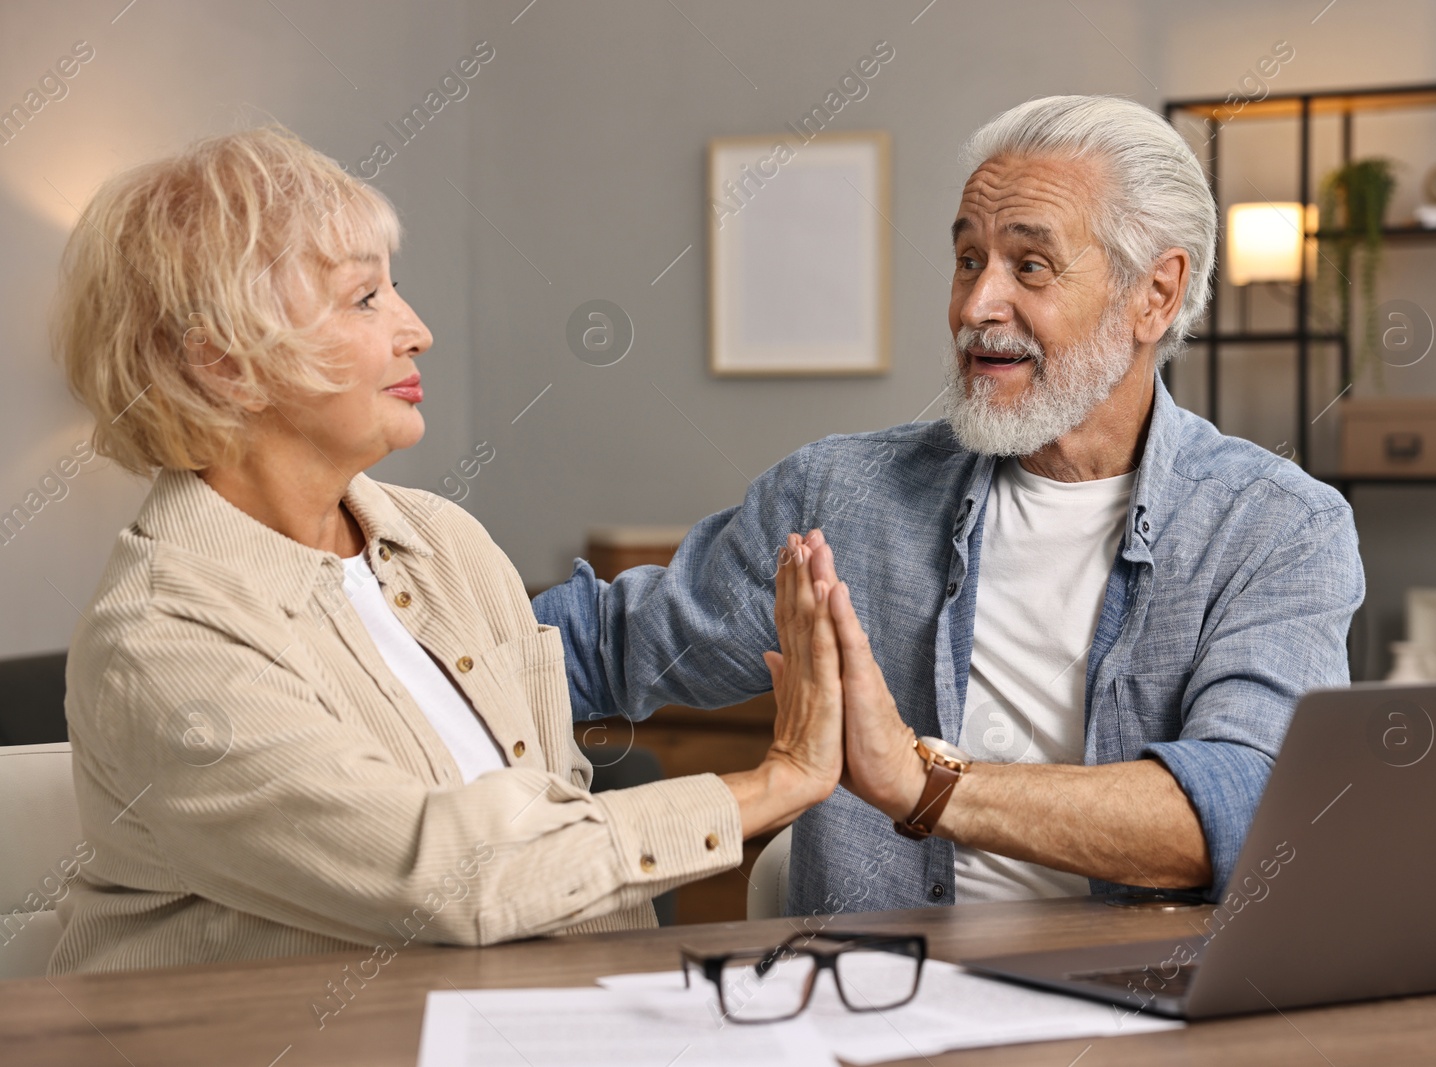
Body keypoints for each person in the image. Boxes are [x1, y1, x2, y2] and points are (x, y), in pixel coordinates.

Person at [534, 95, 1365, 915]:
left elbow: (1247, 808)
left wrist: (921, 781)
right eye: (969, 260)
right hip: (881, 1005)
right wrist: (408, 653)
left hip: (1139, 1013)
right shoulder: (838, 498)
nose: (975, 307)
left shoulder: (1276, 526)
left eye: (1029, 266)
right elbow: (600, 647)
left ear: (1154, 294)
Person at [50, 125, 843, 975]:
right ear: (224, 366)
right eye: (364, 300)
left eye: (398, 290)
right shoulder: (161, 642)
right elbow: (449, 876)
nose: (417, 329)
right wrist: (775, 781)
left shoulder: (443, 541)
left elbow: (551, 817)